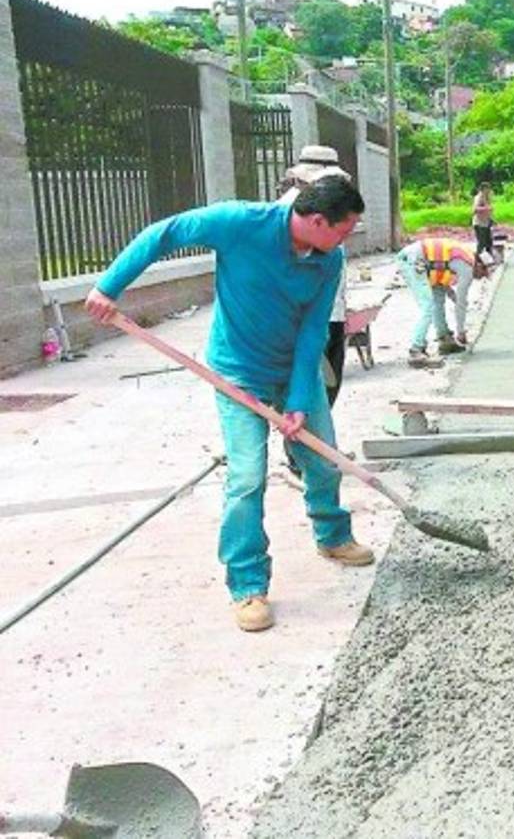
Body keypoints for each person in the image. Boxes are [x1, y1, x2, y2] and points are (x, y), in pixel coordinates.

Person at [84, 176, 376, 633]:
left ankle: (333, 535)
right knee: (246, 477)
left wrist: (299, 397)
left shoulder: (328, 260)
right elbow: (165, 233)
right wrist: (110, 286)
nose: (346, 239)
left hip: (291, 369)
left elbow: (312, 331)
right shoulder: (240, 222)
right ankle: (247, 585)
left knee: (322, 462)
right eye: (343, 229)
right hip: (237, 374)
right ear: (317, 221)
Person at [277, 147, 352, 477]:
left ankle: (315, 449)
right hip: (302, 319)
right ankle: (302, 456)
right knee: (307, 389)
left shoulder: (334, 208)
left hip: (331, 312)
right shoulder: (286, 213)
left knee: (329, 385)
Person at [395, 237, 489, 368]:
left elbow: (444, 276)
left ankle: (444, 339)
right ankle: (416, 349)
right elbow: (461, 303)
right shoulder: (467, 267)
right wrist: (461, 332)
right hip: (415, 260)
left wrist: (453, 296)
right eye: (484, 272)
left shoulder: (462, 257)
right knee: (428, 306)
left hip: (422, 261)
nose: (482, 277)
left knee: (438, 296)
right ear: (479, 265)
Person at [472, 182, 494, 258]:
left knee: (489, 242)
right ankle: (477, 259)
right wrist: (487, 208)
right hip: (479, 223)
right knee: (481, 243)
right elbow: (475, 209)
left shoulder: (487, 198)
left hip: (486, 222)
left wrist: (491, 218)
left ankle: (489, 259)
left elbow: (489, 210)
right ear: (483, 189)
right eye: (487, 189)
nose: (488, 190)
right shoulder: (478, 197)